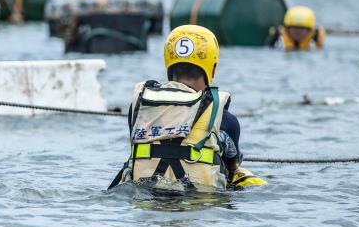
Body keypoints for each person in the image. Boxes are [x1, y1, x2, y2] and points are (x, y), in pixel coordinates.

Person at [110, 25, 265, 192]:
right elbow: (232, 167)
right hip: (197, 203)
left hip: (146, 200)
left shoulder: (141, 107)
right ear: (212, 68)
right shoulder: (226, 120)